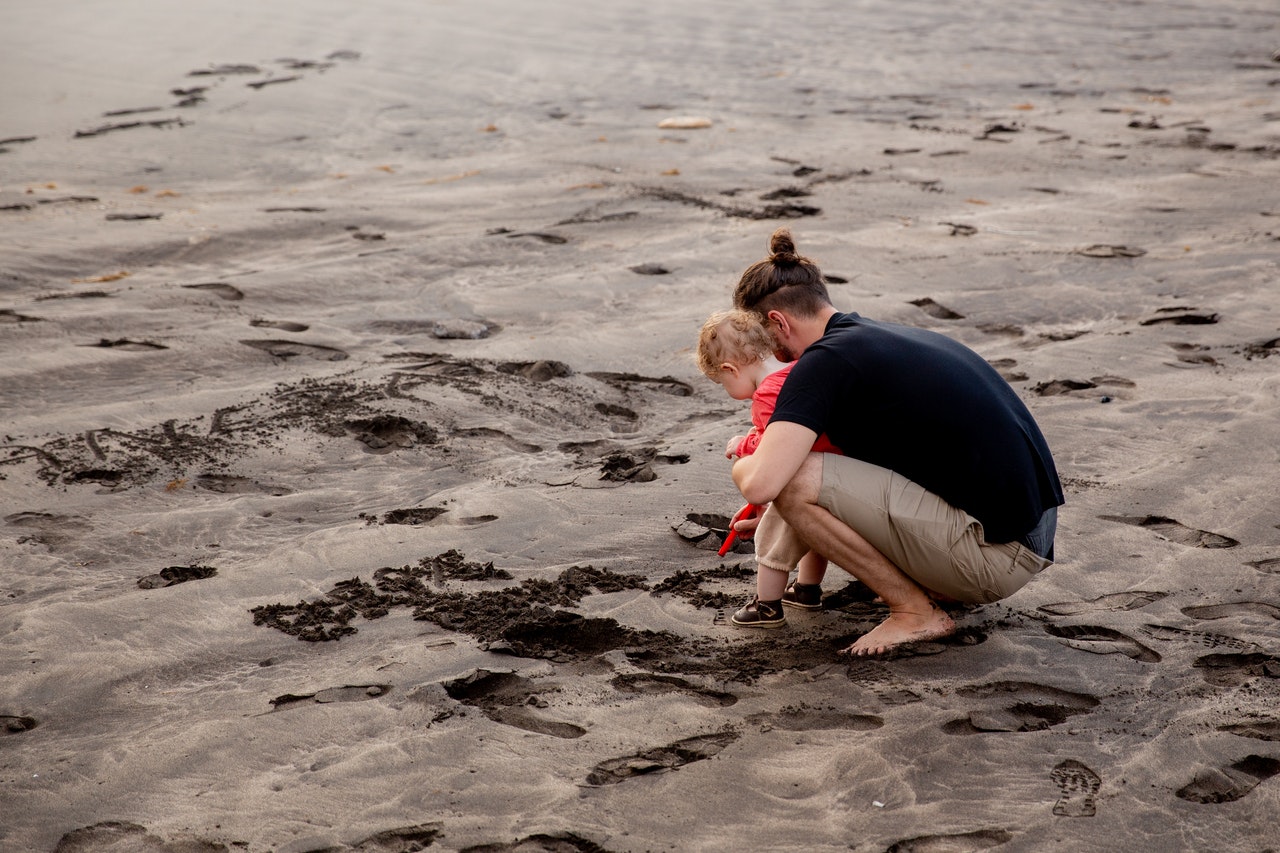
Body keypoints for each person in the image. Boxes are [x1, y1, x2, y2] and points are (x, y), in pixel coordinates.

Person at [726, 228, 1064, 656]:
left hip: (997, 559)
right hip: (1031, 535)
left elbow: (762, 485)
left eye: (761, 341)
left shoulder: (819, 367)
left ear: (778, 322)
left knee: (792, 481)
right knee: (807, 473)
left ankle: (913, 612)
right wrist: (797, 523)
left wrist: (740, 457)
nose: (766, 354)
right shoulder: (877, 339)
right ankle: (931, 590)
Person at [696, 310, 840, 628]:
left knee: (772, 538)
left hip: (798, 474)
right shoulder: (798, 370)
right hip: (834, 468)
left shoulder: (766, 394)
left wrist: (744, 445)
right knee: (813, 536)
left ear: (730, 369)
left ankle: (768, 606)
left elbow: (772, 446)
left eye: (723, 382)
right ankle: (806, 589)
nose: (727, 389)